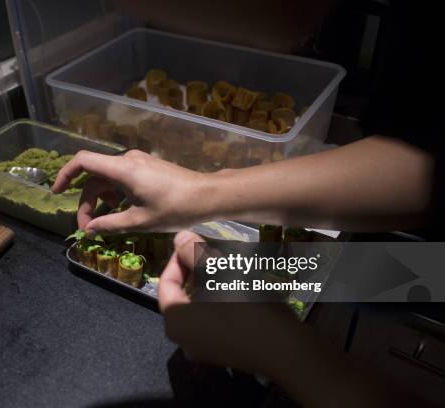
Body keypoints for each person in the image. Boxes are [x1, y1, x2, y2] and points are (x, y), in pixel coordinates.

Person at [52, 1, 443, 406]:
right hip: (432, 267)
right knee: (373, 277)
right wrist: (203, 192)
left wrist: (288, 354)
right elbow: (420, 165)